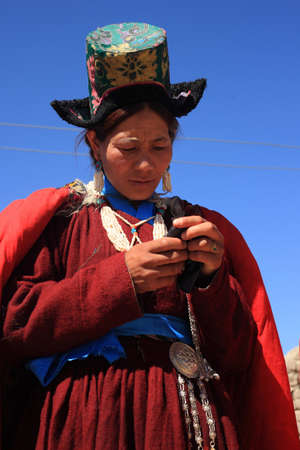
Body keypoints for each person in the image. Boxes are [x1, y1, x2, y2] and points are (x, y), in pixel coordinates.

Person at [0, 23, 299, 450]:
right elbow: (15, 326)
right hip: (87, 423)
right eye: (129, 147)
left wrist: (211, 281)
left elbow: (235, 358)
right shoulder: (62, 223)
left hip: (187, 423)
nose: (145, 165)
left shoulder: (198, 226)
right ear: (96, 143)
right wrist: (121, 280)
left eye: (159, 146)